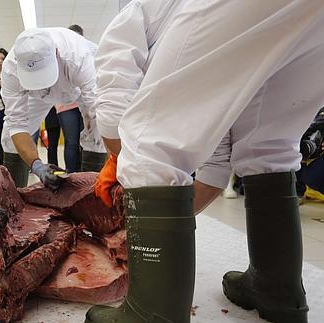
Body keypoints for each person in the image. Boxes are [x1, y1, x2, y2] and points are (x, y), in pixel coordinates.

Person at [86, 1, 324, 323]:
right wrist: (159, 215)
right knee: (266, 146)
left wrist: (122, 154)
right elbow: (218, 159)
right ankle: (276, 289)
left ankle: (150, 315)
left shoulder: (136, 14)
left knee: (151, 138)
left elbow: (116, 85)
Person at [0, 27, 106, 188]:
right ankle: (15, 201)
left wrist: (116, 163)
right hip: (37, 95)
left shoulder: (79, 57)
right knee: (9, 136)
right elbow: (17, 123)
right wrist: (36, 166)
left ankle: (94, 195)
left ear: (56, 52)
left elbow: (100, 114)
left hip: (75, 86)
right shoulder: (10, 69)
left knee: (96, 129)